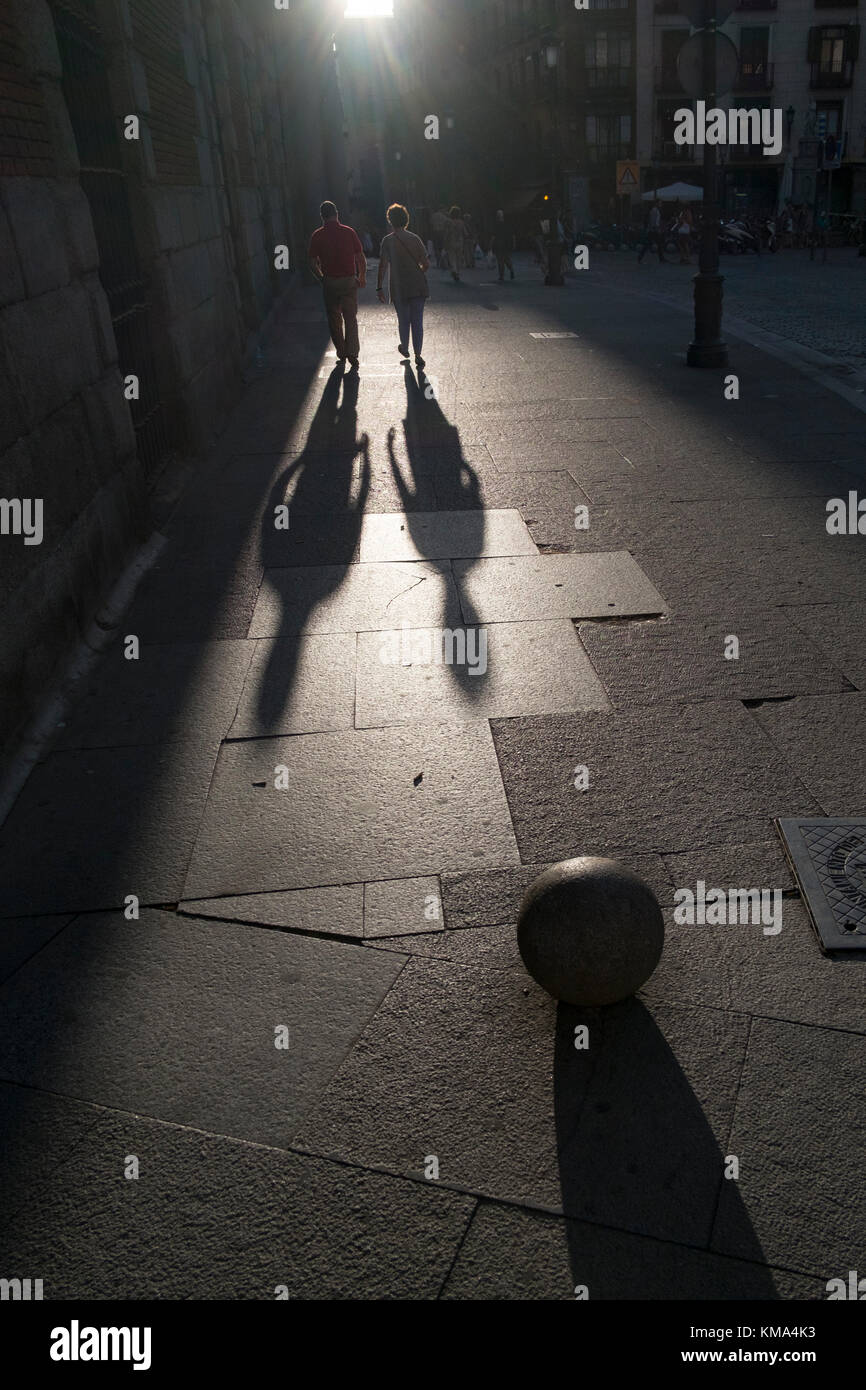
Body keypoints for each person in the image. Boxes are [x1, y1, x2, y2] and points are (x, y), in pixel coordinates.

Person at [308, 200, 366, 369]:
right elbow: (360, 257)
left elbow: (312, 263)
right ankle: (353, 353)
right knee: (350, 318)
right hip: (348, 281)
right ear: (337, 214)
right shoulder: (349, 232)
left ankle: (341, 352)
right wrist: (361, 276)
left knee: (334, 319)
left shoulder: (317, 235)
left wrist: (321, 278)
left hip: (330, 282)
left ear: (322, 217)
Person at [377, 202, 431, 368]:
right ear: (406, 219)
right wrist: (417, 270)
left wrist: (379, 287)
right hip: (417, 284)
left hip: (398, 287)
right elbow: (425, 263)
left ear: (390, 220)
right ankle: (418, 354)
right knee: (417, 321)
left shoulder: (387, 241)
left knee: (403, 320)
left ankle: (405, 347)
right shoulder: (415, 239)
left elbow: (383, 265)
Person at [443, 205, 468, 282]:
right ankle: (457, 271)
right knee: (459, 258)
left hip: (451, 241)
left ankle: (454, 270)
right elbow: (465, 233)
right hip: (460, 242)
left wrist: (445, 241)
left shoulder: (449, 222)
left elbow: (447, 233)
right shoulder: (461, 222)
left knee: (452, 257)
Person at [491, 209, 515, 281]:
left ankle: (501, 276)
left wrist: (491, 244)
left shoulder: (496, 225)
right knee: (506, 259)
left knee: (500, 261)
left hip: (499, 244)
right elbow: (512, 234)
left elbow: (493, 236)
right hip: (506, 244)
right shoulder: (507, 224)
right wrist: (513, 243)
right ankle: (511, 269)